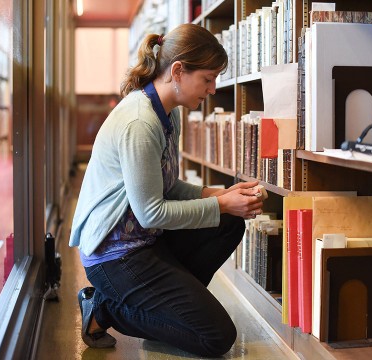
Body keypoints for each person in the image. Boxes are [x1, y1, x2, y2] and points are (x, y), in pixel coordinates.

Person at [69, 23, 264, 357]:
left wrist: (219, 195)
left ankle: (168, 311)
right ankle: (103, 309)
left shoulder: (165, 114)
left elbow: (167, 187)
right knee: (215, 338)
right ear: (178, 71)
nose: (213, 89)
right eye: (208, 78)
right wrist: (222, 205)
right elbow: (151, 211)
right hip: (115, 255)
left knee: (229, 222)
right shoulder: (140, 122)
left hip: (144, 239)